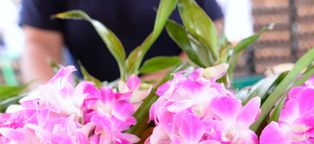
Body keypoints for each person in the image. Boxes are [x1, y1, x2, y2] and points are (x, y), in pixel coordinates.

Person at [19, 0, 223, 84]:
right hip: (95, 112)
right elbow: (39, 43)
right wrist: (49, 96)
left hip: (177, 94)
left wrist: (151, 87)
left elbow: (209, 30)